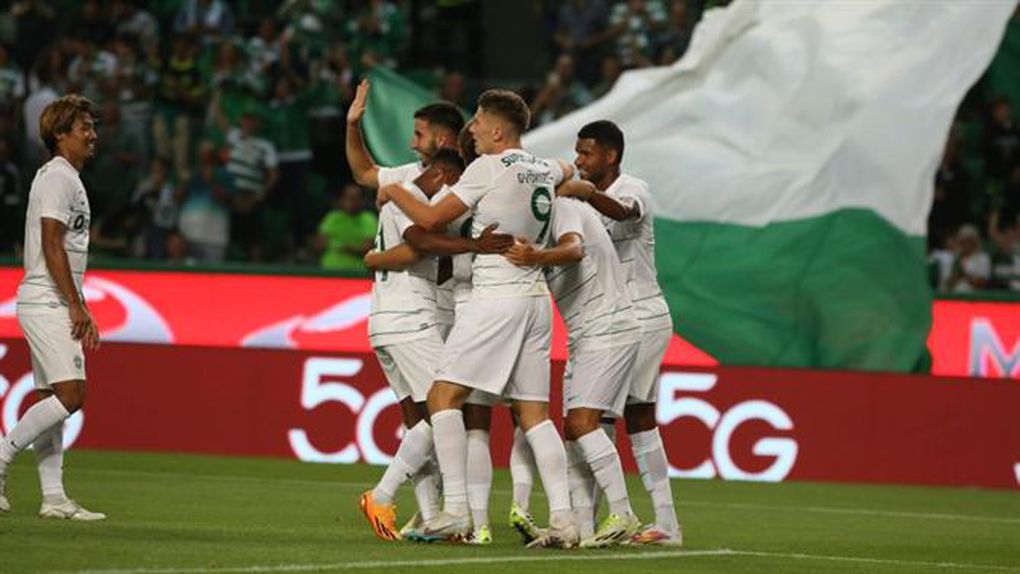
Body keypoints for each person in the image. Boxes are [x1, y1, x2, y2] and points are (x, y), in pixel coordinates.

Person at [377, 89, 578, 548]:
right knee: (535, 415)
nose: (472, 129)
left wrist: (394, 191)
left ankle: (455, 510)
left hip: (495, 296)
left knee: (442, 396)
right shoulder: (543, 167)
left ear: (498, 130)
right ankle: (565, 520)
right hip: (536, 300)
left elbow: (430, 219)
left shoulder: (487, 167)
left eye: (480, 121)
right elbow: (569, 171)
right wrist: (576, 183)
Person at [357, 148, 512, 542]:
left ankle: (430, 518)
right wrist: (475, 246)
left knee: (423, 420)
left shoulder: (402, 197)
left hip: (388, 321)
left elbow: (414, 246)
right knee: (447, 405)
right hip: (410, 317)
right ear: (446, 175)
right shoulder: (411, 199)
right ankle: (382, 495)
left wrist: (375, 259)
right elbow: (419, 243)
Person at [558, 119, 681, 545]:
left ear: (610, 156)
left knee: (603, 417)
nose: (578, 160)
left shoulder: (633, 188)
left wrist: (585, 192)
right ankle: (612, 521)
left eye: (586, 152)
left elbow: (625, 212)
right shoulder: (578, 205)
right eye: (577, 152)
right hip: (606, 319)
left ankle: (628, 519)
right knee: (625, 417)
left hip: (641, 315)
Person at [504, 189, 643, 547]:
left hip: (608, 327)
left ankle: (623, 512)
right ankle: (580, 529)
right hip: (584, 335)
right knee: (573, 432)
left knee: (582, 424)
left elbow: (574, 249)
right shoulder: (536, 227)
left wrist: (535, 257)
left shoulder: (563, 207)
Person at [0, 94, 105, 520]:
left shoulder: (68, 177)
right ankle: (1, 457)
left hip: (52, 297)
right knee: (71, 395)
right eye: (84, 127)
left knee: (49, 398)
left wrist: (78, 304)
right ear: (61, 134)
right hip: (48, 298)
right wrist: (74, 305)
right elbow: (51, 243)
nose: (93, 135)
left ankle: (54, 497)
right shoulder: (57, 177)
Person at [345, 79, 465, 355]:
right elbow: (363, 172)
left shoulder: (464, 182)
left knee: (445, 385)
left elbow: (421, 245)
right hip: (420, 306)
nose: (412, 143)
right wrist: (353, 125)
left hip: (448, 307)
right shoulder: (411, 174)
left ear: (442, 140)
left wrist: (374, 259)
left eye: (419, 135)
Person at [316, 184, 377, 271]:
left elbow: (368, 248)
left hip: (358, 272)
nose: (352, 202)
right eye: (348, 198)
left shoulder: (368, 219)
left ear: (362, 201)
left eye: (355, 198)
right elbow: (320, 244)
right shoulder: (332, 218)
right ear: (342, 199)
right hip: (329, 270)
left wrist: (348, 249)